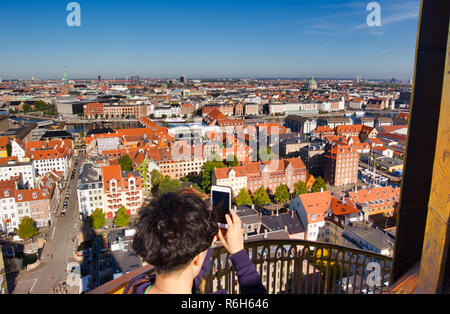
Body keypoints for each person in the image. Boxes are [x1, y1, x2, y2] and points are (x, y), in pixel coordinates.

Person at [126, 192, 266, 294]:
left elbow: (188, 274)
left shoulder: (137, 285)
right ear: (197, 259)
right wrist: (238, 253)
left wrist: (206, 243)